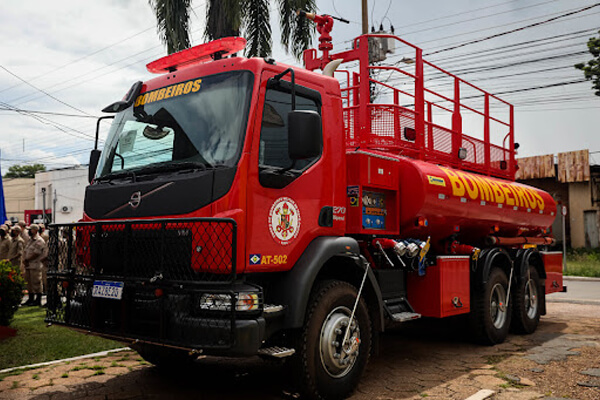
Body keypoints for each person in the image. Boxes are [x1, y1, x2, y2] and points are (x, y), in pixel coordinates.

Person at [23, 224, 47, 306]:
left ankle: (38, 299)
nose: (29, 231)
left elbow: (36, 253)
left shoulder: (39, 240)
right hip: (28, 265)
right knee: (29, 283)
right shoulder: (30, 240)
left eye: (31, 229)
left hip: (35, 265)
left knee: (36, 282)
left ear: (35, 230)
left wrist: (27, 259)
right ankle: (31, 298)